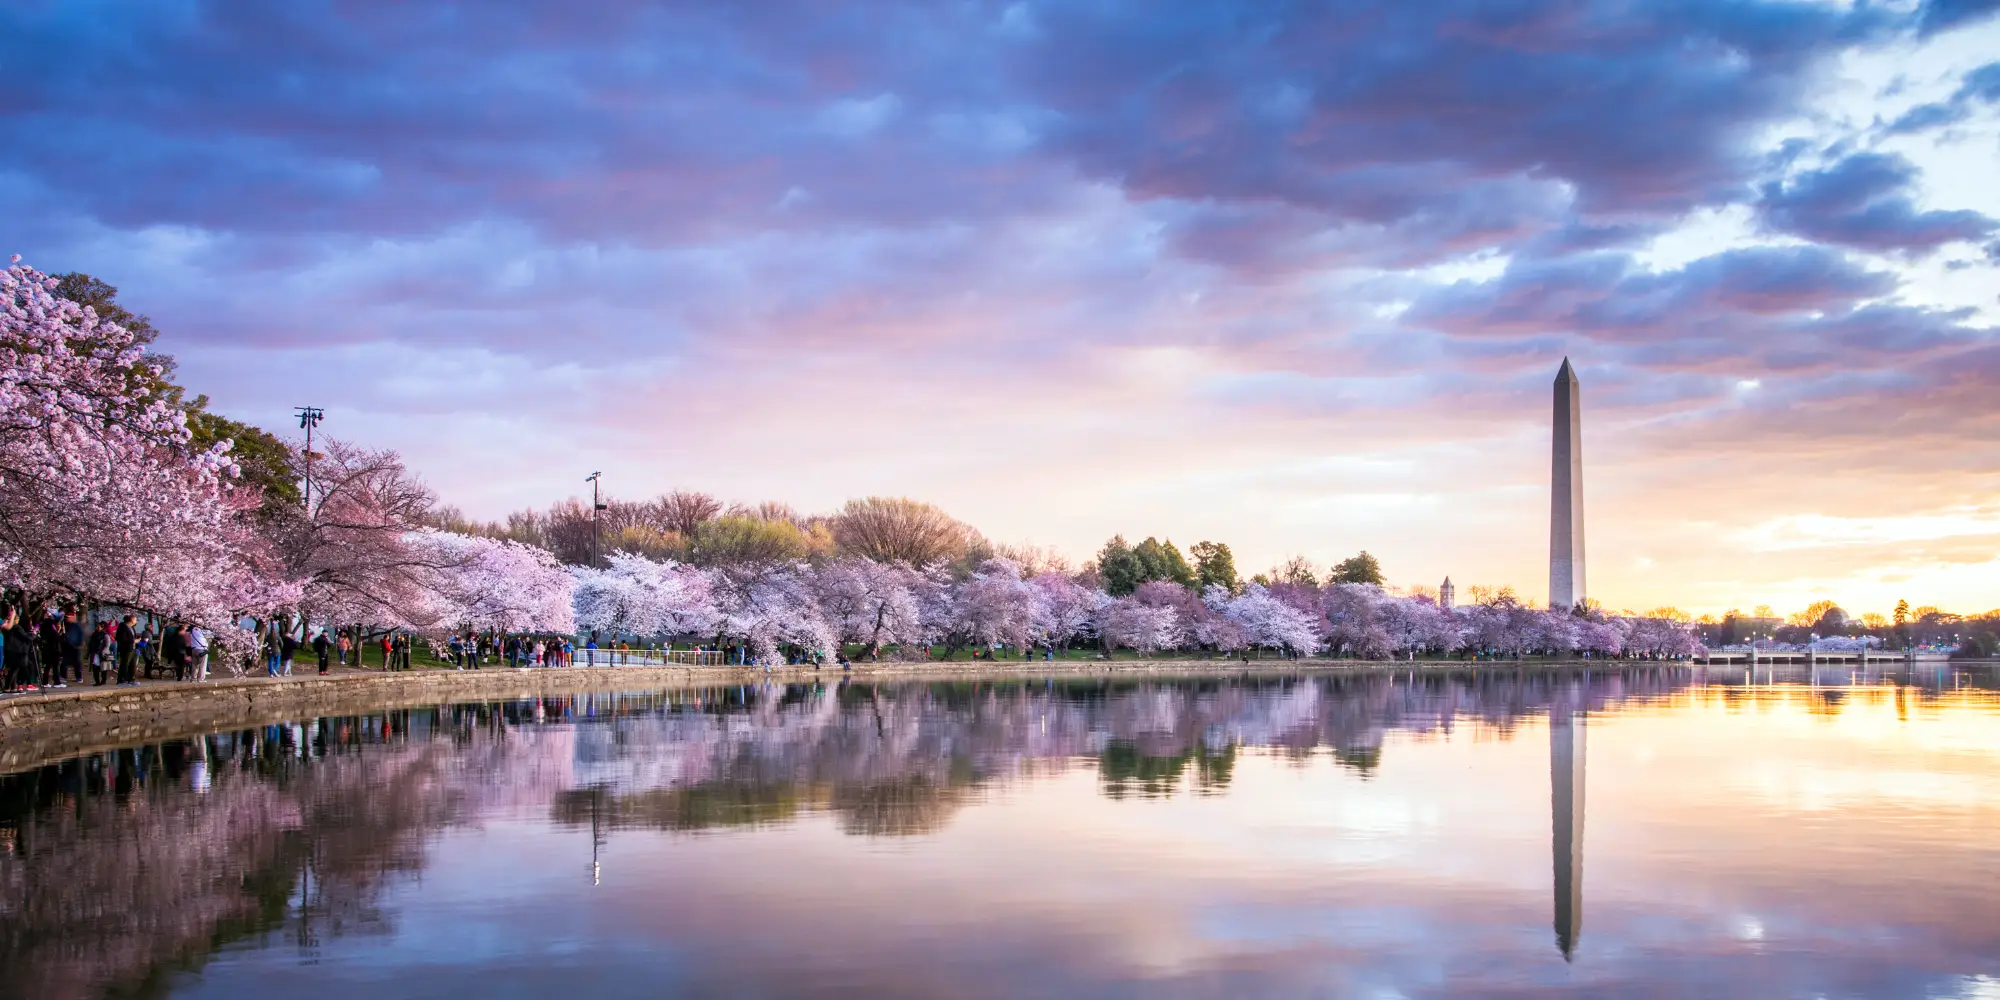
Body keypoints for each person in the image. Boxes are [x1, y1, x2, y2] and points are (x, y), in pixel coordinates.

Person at [62, 610, 85, 685]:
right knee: (65, 661)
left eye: (69, 617)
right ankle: (63, 676)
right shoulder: (68, 625)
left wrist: (80, 643)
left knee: (77, 662)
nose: (67, 619)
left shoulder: (77, 625)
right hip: (68, 646)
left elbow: (81, 635)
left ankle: (79, 677)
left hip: (76, 646)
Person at [115, 615, 138, 686]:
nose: (136, 621)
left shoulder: (132, 628)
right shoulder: (122, 627)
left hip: (133, 648)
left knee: (133, 665)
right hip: (126, 649)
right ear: (131, 620)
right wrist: (133, 641)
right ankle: (121, 680)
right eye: (135, 619)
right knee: (124, 664)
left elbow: (132, 637)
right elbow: (121, 638)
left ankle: (130, 679)